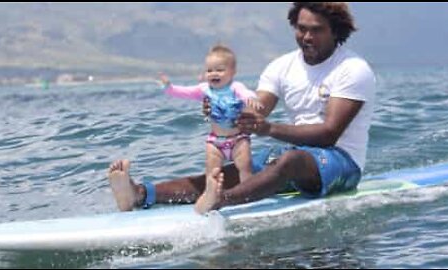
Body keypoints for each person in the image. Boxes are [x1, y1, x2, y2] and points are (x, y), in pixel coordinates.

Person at [108, 2, 376, 214]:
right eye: (301, 28)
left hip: (341, 162)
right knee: (225, 173)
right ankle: (141, 193)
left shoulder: (352, 69)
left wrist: (269, 129)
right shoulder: (282, 66)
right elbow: (256, 109)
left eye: (316, 30)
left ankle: (220, 201)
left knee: (288, 160)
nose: (306, 36)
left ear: (335, 32)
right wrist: (225, 109)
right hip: (294, 156)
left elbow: (329, 134)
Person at [158, 45, 263, 213]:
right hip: (215, 142)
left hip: (238, 140)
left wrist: (251, 99)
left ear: (232, 71)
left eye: (220, 70)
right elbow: (184, 92)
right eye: (209, 70)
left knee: (245, 168)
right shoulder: (204, 90)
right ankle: (211, 194)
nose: (214, 73)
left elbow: (246, 93)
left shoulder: (235, 87)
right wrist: (169, 87)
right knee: (212, 172)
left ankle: (247, 193)